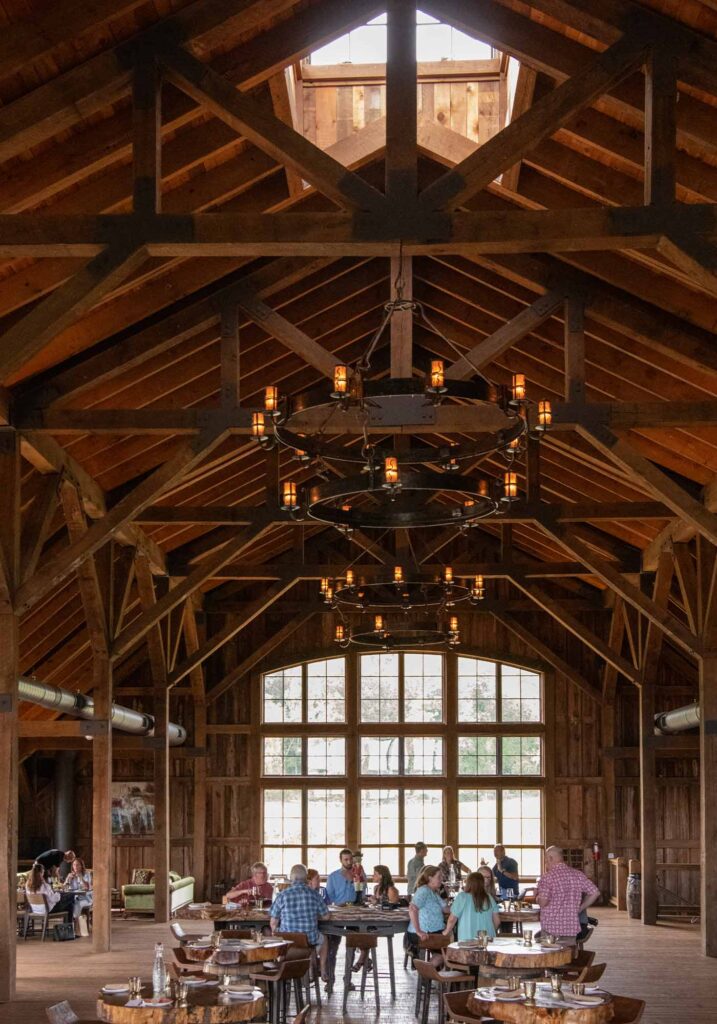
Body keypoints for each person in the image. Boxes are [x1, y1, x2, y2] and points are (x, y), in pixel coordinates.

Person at [270, 864, 329, 981]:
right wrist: (312, 913)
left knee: (273, 936)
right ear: (306, 877)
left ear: (291, 878)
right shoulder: (314, 894)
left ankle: (282, 966)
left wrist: (274, 932)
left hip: (287, 942)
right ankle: (322, 969)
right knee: (324, 938)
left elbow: (273, 922)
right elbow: (326, 916)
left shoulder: (282, 895)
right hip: (308, 940)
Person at [536, 846, 600, 942]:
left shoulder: (547, 877)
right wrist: (580, 909)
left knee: (550, 955)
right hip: (571, 927)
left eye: (546, 860)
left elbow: (543, 902)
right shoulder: (578, 875)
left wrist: (537, 896)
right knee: (567, 955)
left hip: (551, 928)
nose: (546, 863)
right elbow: (595, 893)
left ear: (550, 858)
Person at [443, 871, 500, 941]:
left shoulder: (462, 897)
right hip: (487, 939)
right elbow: (497, 921)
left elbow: (452, 919)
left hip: (467, 939)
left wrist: (446, 932)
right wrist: (490, 931)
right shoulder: (489, 897)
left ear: (468, 883)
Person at [407, 866, 447, 966]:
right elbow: (412, 908)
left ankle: (428, 974)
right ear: (430, 878)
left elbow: (446, 909)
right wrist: (418, 931)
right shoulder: (424, 890)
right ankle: (425, 974)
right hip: (424, 933)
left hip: (434, 931)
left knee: (447, 949)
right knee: (447, 952)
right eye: (439, 877)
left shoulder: (433, 892)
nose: (441, 879)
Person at [65, 857, 92, 928]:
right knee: (69, 903)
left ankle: (75, 923)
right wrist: (67, 880)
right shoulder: (70, 875)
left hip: (86, 898)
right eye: (74, 865)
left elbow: (87, 888)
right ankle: (70, 924)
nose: (75, 867)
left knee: (78, 904)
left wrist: (81, 878)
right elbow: (64, 888)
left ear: (81, 866)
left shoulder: (86, 874)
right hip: (74, 898)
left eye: (77, 865)